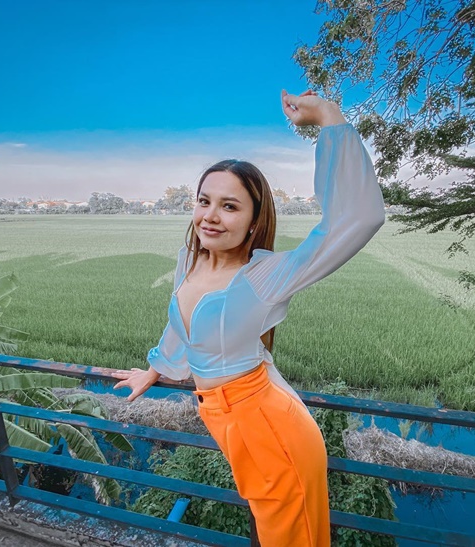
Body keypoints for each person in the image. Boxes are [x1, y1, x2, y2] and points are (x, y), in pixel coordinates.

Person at [112, 89, 385, 546]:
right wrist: (154, 369)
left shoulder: (264, 276)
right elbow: (183, 327)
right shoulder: (190, 261)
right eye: (204, 201)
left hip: (271, 428)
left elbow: (358, 218)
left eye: (230, 206)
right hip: (229, 424)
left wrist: (328, 118)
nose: (210, 216)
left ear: (255, 219)